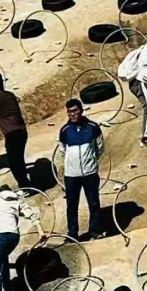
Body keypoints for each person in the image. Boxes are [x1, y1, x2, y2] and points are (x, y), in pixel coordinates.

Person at [57, 98, 105, 240]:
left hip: (89, 173)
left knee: (94, 203)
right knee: (71, 205)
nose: (73, 114)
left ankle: (95, 231)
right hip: (71, 175)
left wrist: (90, 160)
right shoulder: (64, 131)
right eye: (70, 112)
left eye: (75, 111)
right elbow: (62, 150)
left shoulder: (93, 127)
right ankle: (72, 234)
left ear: (81, 110)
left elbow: (100, 148)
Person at [0, 72, 30, 187]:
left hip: (12, 134)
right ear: (2, 83)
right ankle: (25, 181)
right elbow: (2, 116)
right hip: (22, 131)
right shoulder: (10, 95)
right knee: (19, 158)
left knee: (13, 162)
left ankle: (25, 186)